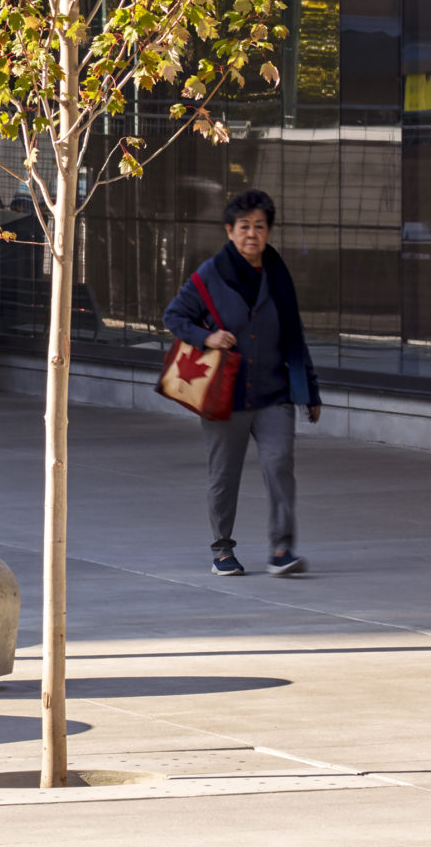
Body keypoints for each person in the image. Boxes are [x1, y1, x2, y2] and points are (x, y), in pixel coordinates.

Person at [163, 188, 321, 580]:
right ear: (230, 231)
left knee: (280, 465)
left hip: (274, 394)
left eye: (260, 226)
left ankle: (281, 549)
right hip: (226, 396)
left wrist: (310, 390)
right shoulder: (210, 275)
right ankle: (222, 551)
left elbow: (294, 336)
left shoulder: (278, 274)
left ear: (268, 231)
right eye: (245, 226)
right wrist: (207, 338)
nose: (253, 233)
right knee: (224, 475)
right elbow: (174, 316)